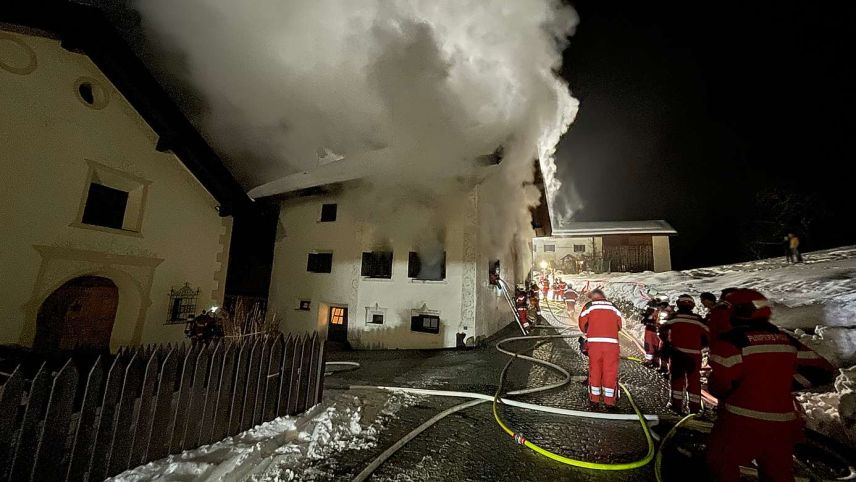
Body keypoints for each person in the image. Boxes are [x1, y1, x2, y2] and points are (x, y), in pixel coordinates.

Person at [707, 289, 832, 482]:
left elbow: (721, 383)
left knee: (720, 463)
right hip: (782, 424)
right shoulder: (786, 339)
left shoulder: (732, 341)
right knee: (778, 474)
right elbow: (822, 371)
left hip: (741, 420)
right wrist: (782, 385)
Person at [659, 294, 708, 413]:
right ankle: (695, 409)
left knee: (677, 380)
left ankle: (676, 407)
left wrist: (667, 344)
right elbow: (707, 335)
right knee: (694, 381)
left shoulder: (674, 318)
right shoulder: (698, 320)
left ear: (678, 305)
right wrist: (699, 347)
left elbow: (662, 330)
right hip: (694, 356)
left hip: (677, 354)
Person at [578, 289, 623, 410]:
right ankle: (610, 402)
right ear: (604, 296)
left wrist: (590, 330)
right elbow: (619, 325)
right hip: (611, 344)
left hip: (594, 344)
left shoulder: (589, 306)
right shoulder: (613, 307)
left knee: (595, 371)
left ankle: (594, 400)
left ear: (593, 296)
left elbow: (582, 324)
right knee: (611, 372)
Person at [640, 299, 663, 368]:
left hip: (657, 330)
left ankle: (656, 361)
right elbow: (645, 319)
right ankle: (649, 361)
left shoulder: (660, 312)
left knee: (656, 345)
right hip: (651, 330)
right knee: (650, 345)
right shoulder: (650, 310)